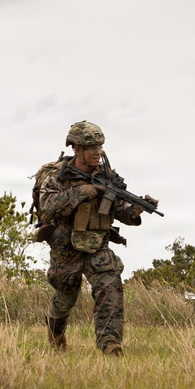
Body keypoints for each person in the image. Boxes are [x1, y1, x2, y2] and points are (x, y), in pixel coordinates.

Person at [36, 121, 145, 356]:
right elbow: (47, 208)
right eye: (91, 147)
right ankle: (55, 328)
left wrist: (134, 211)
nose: (98, 152)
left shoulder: (107, 176)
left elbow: (118, 211)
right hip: (66, 244)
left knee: (110, 285)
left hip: (97, 244)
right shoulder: (58, 176)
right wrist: (82, 192)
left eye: (100, 146)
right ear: (76, 149)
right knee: (66, 295)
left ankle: (110, 344)